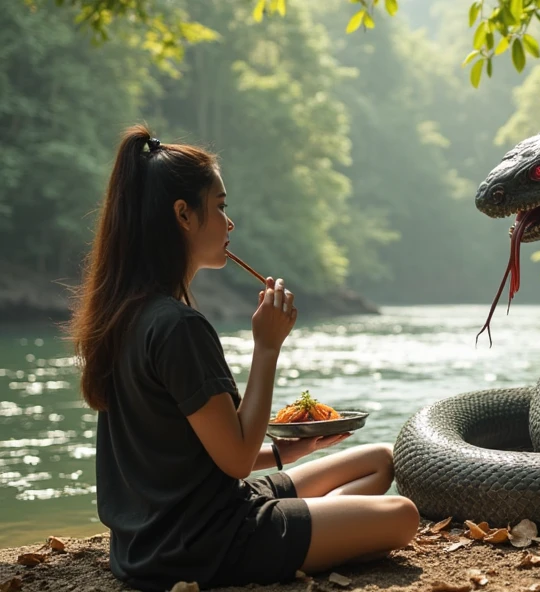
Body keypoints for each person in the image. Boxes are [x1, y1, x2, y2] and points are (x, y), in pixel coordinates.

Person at [65, 125, 420, 591]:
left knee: (379, 460)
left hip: (153, 538)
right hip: (205, 544)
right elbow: (234, 458)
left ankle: (313, 531)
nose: (229, 223)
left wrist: (280, 453)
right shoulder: (178, 327)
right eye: (220, 206)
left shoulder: (124, 315)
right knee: (402, 515)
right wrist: (267, 347)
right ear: (183, 215)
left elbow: (190, 454)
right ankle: (301, 541)